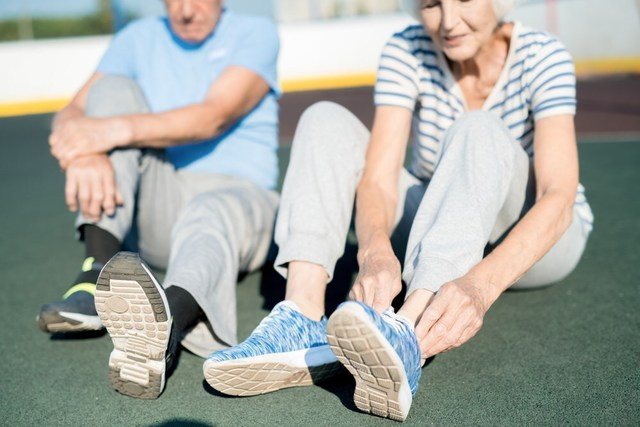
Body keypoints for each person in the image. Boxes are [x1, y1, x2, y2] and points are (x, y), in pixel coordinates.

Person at [202, 0, 593, 421]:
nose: (447, 22)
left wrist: (479, 286)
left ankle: (408, 330)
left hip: (535, 236)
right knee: (325, 119)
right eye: (430, 4)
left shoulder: (543, 55)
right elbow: (380, 178)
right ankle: (301, 317)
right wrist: (374, 250)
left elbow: (558, 198)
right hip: (444, 219)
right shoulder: (406, 49)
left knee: (478, 127)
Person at [37, 0, 280, 400]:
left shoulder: (256, 34)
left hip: (242, 196)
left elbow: (213, 116)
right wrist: (87, 151)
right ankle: (97, 271)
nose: (185, 11)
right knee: (112, 89)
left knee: (210, 209)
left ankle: (166, 324)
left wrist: (106, 132)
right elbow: (71, 113)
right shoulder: (136, 38)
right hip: (164, 202)